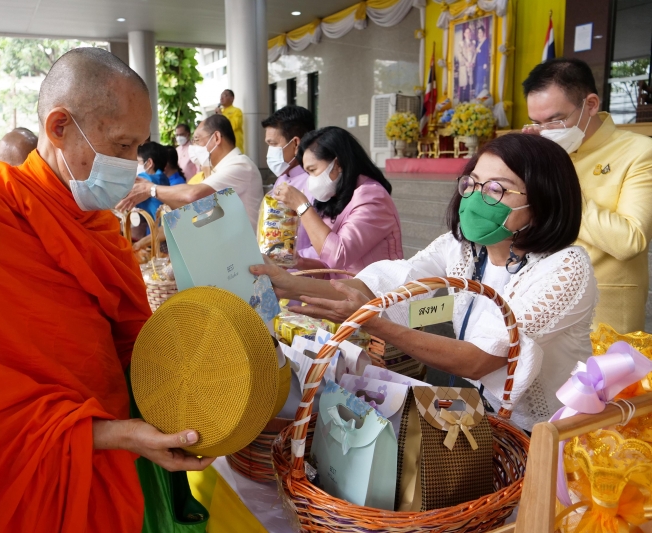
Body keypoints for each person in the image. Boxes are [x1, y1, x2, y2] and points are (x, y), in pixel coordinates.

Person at [0, 48, 212, 533]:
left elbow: (126, 340)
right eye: (120, 146)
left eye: (138, 147)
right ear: (58, 127)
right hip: (27, 480)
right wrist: (111, 434)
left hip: (105, 457)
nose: (132, 164)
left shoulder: (93, 221)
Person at [255, 133, 596, 432]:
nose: (476, 198)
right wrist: (293, 285)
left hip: (552, 433)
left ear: (543, 201)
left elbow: (480, 360)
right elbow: (383, 284)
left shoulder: (564, 268)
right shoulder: (464, 248)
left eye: (496, 189)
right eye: (473, 183)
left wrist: (375, 323)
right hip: (491, 419)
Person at [522, 58, 652, 333]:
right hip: (539, 301)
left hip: (605, 312)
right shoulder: (543, 155)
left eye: (555, 120)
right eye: (537, 122)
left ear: (590, 105)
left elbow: (631, 240)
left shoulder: (639, 152)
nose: (545, 130)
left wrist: (559, 188)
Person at [271, 126, 401, 276]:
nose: (310, 180)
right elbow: (331, 268)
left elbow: (338, 256)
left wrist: (302, 206)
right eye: (307, 173)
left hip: (376, 294)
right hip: (347, 293)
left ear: (337, 164)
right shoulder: (335, 199)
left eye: (313, 170)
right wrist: (299, 262)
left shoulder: (373, 197)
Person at [118, 114, 263, 229]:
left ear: (217, 138)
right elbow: (189, 207)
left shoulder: (240, 165)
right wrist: (150, 190)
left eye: (197, 140)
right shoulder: (221, 170)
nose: (194, 147)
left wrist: (150, 189)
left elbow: (193, 195)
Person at [263, 105, 316, 257]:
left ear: (295, 143)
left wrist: (289, 260)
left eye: (273, 144)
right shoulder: (282, 177)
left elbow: (324, 246)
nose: (269, 152)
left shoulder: (315, 183)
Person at [215, 89, 244, 154]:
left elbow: (233, 126)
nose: (221, 98)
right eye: (221, 96)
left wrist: (221, 115)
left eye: (225, 95)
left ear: (232, 98)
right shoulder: (220, 111)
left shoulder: (237, 111)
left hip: (234, 145)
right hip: (222, 145)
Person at [474, 24, 491, 96]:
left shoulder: (486, 41)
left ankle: (479, 95)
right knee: (478, 79)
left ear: (484, 32)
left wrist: (485, 63)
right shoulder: (478, 42)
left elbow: (487, 52)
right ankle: (478, 95)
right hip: (478, 64)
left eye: (480, 32)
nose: (479, 34)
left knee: (481, 80)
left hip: (483, 64)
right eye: (478, 32)